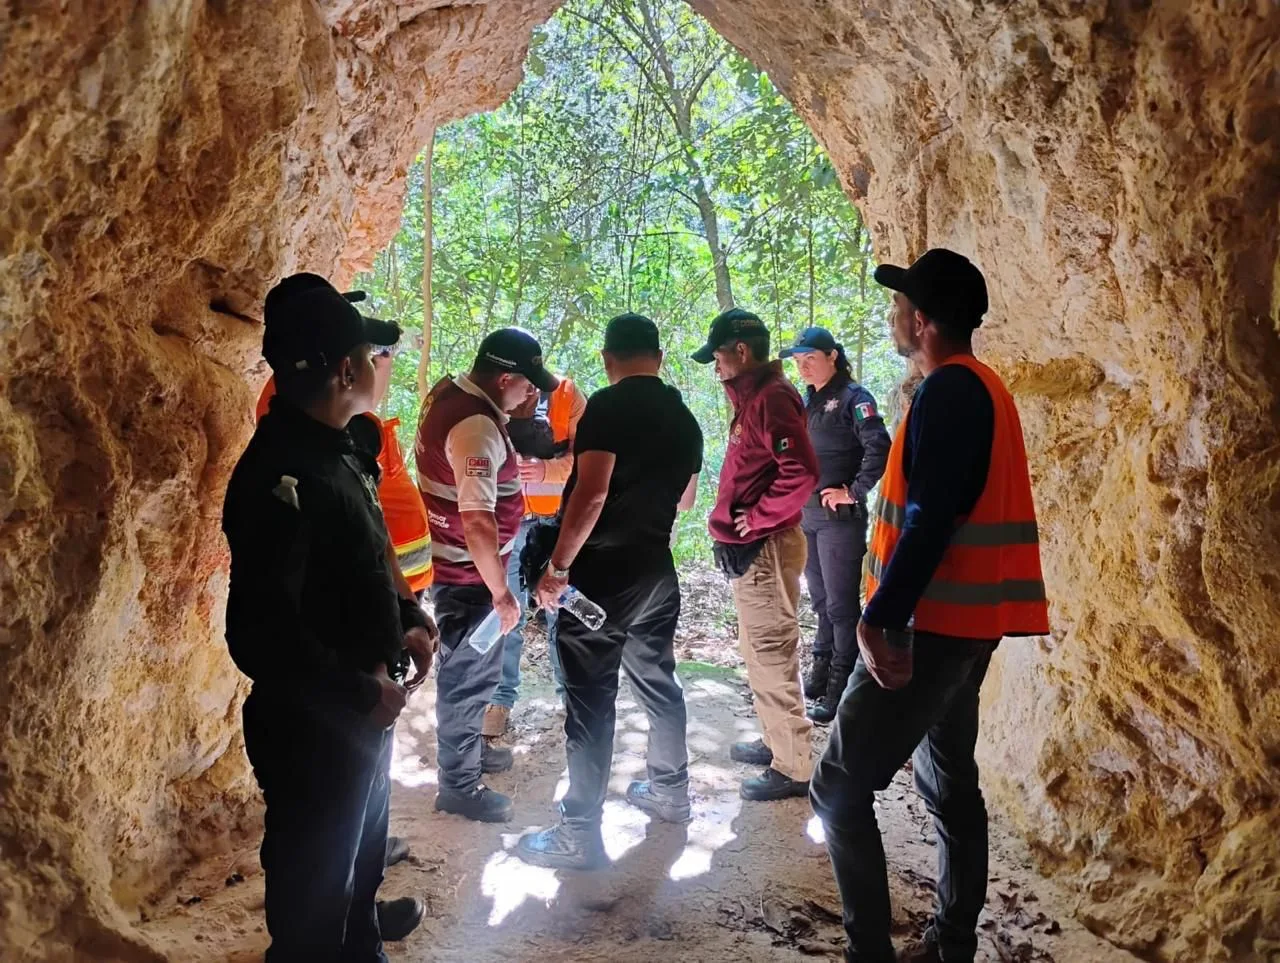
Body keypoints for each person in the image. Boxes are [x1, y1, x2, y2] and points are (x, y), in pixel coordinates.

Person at [809, 249, 1050, 963]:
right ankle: (951, 945)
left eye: (899, 305)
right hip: (965, 625)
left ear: (920, 318)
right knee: (948, 781)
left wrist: (880, 615)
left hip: (930, 628)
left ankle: (871, 954)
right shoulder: (984, 387)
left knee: (838, 790)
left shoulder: (949, 391)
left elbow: (932, 515)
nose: (893, 315)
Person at [222, 274, 438, 961]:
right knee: (311, 909)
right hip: (316, 726)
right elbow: (257, 631)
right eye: (373, 356)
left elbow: (371, 549)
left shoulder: (342, 446)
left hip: (359, 718)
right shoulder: (276, 476)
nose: (381, 367)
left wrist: (407, 615)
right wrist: (357, 689)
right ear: (347, 369)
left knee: (356, 877)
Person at [514, 313, 703, 869]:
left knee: (590, 702)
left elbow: (591, 494)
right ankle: (670, 790)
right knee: (657, 681)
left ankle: (579, 832)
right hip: (655, 570)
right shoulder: (684, 417)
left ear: (607, 358)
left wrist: (558, 567)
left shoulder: (608, 407)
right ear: (660, 356)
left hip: (601, 575)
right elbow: (687, 500)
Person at [415, 328, 558, 823]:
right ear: (504, 378)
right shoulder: (474, 427)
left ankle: (469, 754)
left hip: (464, 564)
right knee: (468, 678)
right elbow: (476, 518)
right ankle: (458, 785)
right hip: (469, 573)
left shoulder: (453, 394)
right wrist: (501, 592)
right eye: (526, 384)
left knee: (477, 671)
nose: (531, 395)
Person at [693, 308, 820, 802]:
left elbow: (802, 472)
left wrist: (760, 518)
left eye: (719, 356)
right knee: (756, 650)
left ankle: (794, 766)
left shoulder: (771, 398)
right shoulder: (754, 399)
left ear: (741, 352)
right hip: (753, 549)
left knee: (770, 652)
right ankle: (776, 742)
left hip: (765, 547)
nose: (716, 366)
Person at [779, 327, 889, 722]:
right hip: (807, 516)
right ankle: (821, 673)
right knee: (822, 602)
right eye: (797, 361)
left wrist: (855, 491)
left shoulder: (853, 399)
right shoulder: (809, 401)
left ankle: (843, 688)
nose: (803, 366)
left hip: (838, 521)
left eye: (810, 358)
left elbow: (881, 447)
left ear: (833, 356)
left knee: (843, 607)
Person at [481, 372, 586, 755]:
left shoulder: (569, 396)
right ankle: (499, 700)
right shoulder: (489, 395)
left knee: (562, 608)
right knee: (505, 611)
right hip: (507, 520)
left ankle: (571, 697)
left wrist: (547, 470)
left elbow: (588, 459)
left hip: (557, 520)